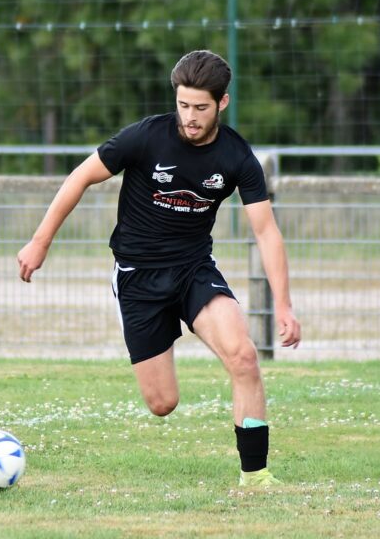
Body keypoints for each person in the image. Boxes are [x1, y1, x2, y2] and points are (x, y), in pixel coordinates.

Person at [17, 50, 301, 486]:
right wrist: (40, 241)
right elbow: (79, 176)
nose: (189, 117)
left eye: (201, 108)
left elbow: (266, 231)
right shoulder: (146, 138)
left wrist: (283, 304)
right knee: (162, 402)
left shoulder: (237, 156)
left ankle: (256, 478)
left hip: (193, 269)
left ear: (222, 103)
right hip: (137, 276)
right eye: (183, 105)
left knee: (244, 357)